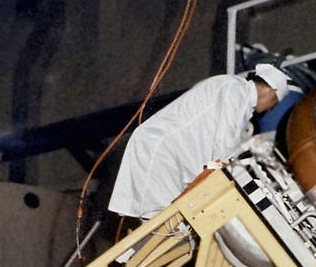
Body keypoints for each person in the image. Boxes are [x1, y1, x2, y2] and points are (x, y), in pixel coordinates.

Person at [108, 63, 289, 221]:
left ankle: (127, 257)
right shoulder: (234, 89)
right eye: (274, 103)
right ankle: (125, 258)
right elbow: (224, 142)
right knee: (162, 226)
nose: (270, 108)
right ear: (270, 90)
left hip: (171, 159)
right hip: (162, 154)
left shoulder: (238, 95)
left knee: (165, 226)